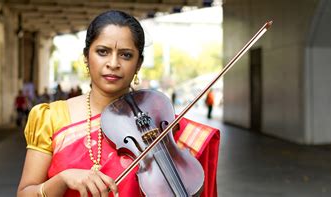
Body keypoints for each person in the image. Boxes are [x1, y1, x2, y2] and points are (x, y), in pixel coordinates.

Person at [17, 10, 219, 197]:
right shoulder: (51, 117)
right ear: (87, 57)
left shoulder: (159, 123)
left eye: (126, 55)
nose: (113, 63)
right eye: (103, 51)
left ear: (138, 63)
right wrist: (62, 179)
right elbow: (25, 192)